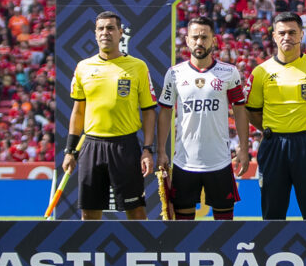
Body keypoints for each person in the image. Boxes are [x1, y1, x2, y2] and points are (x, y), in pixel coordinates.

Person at [64, 11, 158, 221]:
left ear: (120, 33)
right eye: (101, 28)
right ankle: (92, 253)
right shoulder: (83, 67)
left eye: (110, 28)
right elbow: (78, 111)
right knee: (89, 212)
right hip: (91, 145)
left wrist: (147, 150)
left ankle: (140, 253)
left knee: (136, 211)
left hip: (125, 146)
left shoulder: (138, 67)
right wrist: (70, 150)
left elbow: (149, 110)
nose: (105, 32)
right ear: (95, 34)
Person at [156, 17, 250, 220]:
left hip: (220, 161)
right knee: (182, 226)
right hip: (184, 161)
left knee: (224, 225)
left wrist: (243, 146)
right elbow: (164, 111)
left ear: (213, 40)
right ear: (187, 40)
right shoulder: (174, 73)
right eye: (195, 37)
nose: (199, 42)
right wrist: (160, 150)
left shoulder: (229, 72)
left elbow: (240, 109)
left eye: (204, 37)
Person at [245, 12, 306, 219]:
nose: (287, 37)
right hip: (273, 144)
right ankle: (272, 251)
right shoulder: (260, 72)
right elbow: (251, 112)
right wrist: (274, 129)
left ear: (302, 34)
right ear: (274, 36)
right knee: (273, 214)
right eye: (282, 33)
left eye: (292, 32)